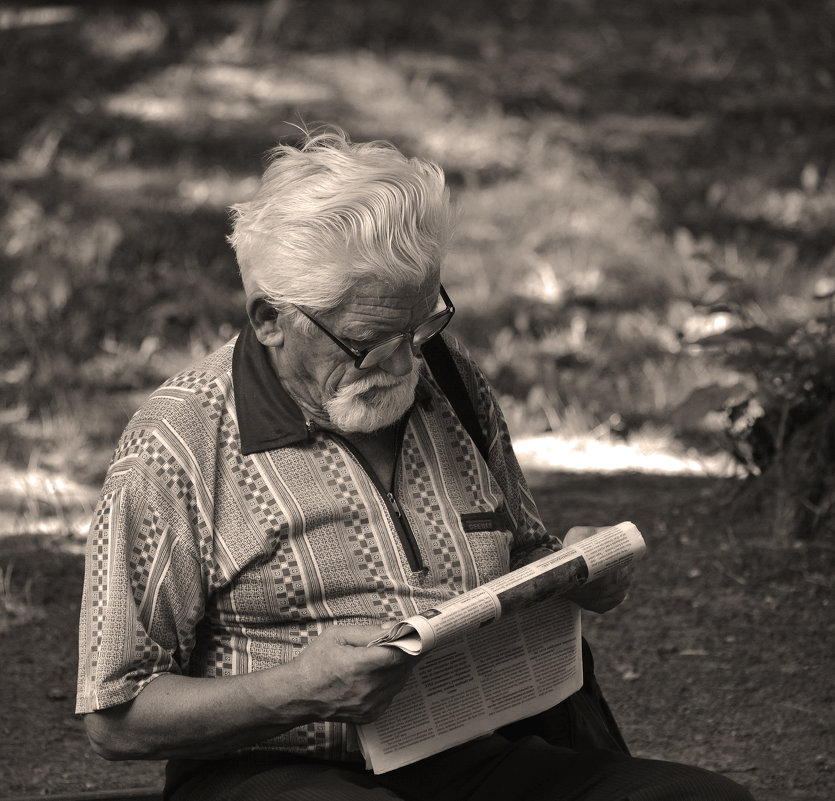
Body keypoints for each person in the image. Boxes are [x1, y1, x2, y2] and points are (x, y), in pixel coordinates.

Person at [76, 128, 754, 801]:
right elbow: (114, 716)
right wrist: (294, 690)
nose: (404, 363)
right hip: (272, 768)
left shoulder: (451, 388)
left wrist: (579, 572)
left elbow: (521, 557)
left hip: (473, 752)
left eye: (420, 326)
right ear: (269, 320)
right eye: (369, 341)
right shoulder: (178, 441)